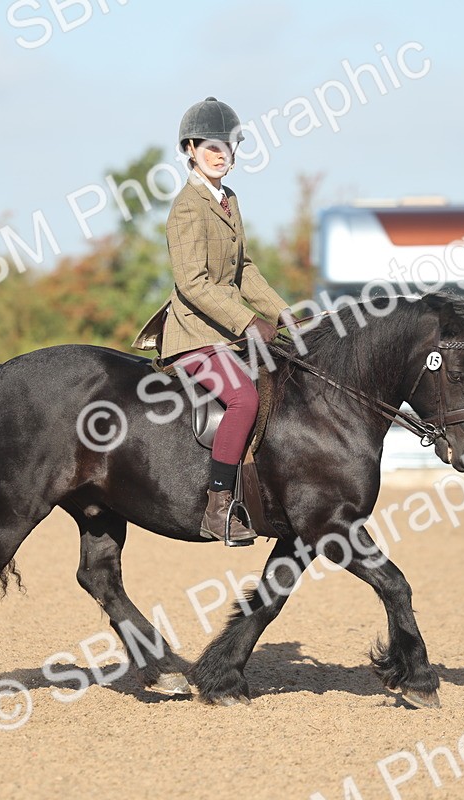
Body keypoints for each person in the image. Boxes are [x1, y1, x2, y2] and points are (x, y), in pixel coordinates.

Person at [133, 96, 292, 545]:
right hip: (193, 336)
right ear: (189, 149)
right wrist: (247, 322)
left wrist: (281, 312)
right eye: (211, 148)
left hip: (225, 331)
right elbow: (193, 283)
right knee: (244, 399)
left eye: (228, 147)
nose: (222, 155)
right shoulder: (187, 207)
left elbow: (244, 269)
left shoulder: (228, 200)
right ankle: (218, 507)